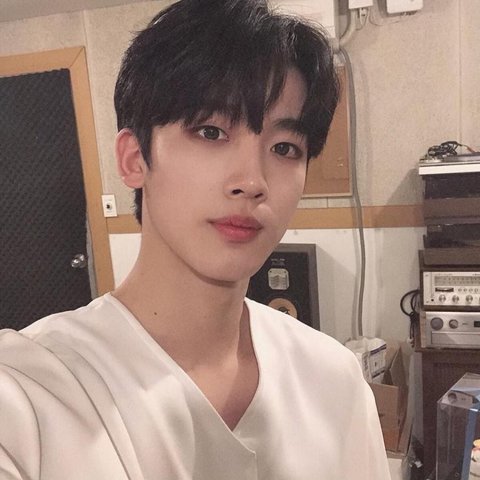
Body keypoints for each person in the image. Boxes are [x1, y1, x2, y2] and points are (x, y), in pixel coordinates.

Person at [0, 0, 391, 478]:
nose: (252, 181)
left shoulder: (334, 378)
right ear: (134, 159)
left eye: (284, 147)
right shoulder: (30, 395)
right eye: (211, 131)